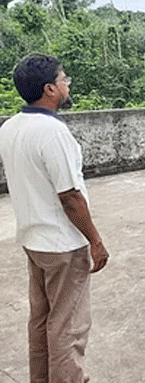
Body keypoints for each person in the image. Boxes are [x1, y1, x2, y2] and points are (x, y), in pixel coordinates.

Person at [0, 53, 109, 382]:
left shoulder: (10, 127)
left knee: (42, 319)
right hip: (63, 245)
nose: (67, 84)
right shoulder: (53, 132)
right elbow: (70, 196)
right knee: (69, 327)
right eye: (64, 79)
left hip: (34, 240)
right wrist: (96, 240)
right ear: (50, 88)